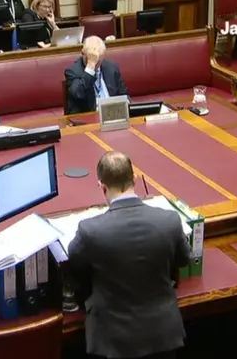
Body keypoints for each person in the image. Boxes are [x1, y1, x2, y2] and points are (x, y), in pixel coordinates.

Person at [68, 151, 192, 359]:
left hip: (114, 342)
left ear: (102, 187)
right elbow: (184, 259)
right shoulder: (170, 220)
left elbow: (76, 267)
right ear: (134, 178)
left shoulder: (90, 230)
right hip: (163, 336)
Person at [64, 36, 129, 114]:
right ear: (83, 53)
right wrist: (90, 67)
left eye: (99, 58)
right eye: (93, 58)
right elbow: (78, 94)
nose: (96, 62)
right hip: (88, 118)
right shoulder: (72, 71)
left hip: (113, 115)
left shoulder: (111, 67)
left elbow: (123, 94)